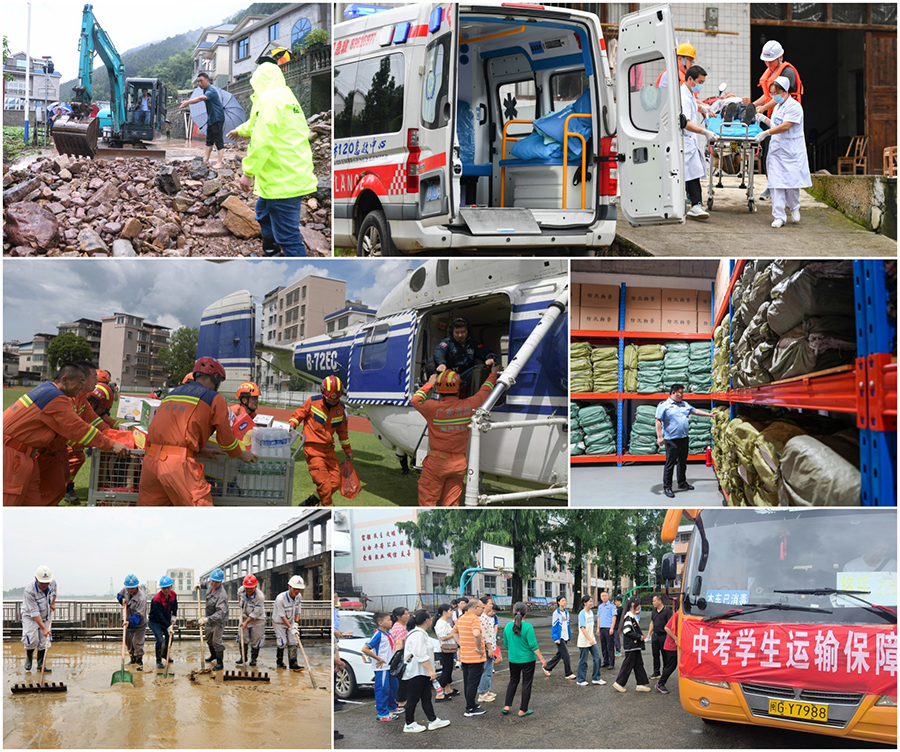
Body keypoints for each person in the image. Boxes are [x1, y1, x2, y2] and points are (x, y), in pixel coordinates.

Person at [226, 59, 316, 258]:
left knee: (289, 236)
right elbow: (258, 122)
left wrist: (248, 172)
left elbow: (262, 139)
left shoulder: (268, 100)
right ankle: (270, 253)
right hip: (290, 174)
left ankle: (297, 269)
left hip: (281, 180)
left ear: (259, 81)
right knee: (263, 212)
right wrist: (240, 130)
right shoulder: (287, 97)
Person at [3, 363, 129, 505]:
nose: (82, 386)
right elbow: (78, 428)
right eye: (80, 381)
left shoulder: (49, 390)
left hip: (24, 455)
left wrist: (110, 436)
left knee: (34, 504)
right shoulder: (56, 398)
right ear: (64, 380)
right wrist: (111, 444)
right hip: (12, 455)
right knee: (9, 506)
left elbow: (90, 421)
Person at [139, 357, 257, 507]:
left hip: (150, 462)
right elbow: (226, 441)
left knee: (152, 518)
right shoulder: (214, 398)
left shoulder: (172, 394)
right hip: (178, 467)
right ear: (215, 378)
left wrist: (200, 449)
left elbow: (174, 432)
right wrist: (241, 454)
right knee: (202, 514)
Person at [410, 363, 499, 506]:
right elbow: (485, 391)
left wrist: (429, 384)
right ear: (458, 389)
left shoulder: (432, 407)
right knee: (451, 505)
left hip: (437, 464)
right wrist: (493, 374)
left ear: (439, 389)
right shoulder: (469, 405)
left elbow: (415, 400)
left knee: (428, 502)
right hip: (458, 465)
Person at [743, 40, 803, 201]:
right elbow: (767, 95)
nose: (768, 63)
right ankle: (772, 186)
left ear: (780, 57)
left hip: (788, 117)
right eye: (766, 61)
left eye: (771, 60)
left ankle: (789, 191)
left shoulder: (788, 72)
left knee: (787, 155)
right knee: (770, 153)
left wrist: (762, 109)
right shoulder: (770, 73)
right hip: (773, 117)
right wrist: (753, 105)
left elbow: (780, 97)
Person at [755, 76, 811, 229]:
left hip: (791, 150)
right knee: (775, 184)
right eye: (772, 93)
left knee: (791, 183)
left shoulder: (794, 107)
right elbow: (775, 124)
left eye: (775, 93)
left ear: (784, 92)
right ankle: (779, 216)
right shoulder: (778, 106)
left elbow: (785, 126)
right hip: (776, 150)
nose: (773, 96)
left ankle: (794, 208)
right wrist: (763, 119)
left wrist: (766, 133)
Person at [289, 376, 352, 507]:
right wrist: (292, 424)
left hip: (329, 450)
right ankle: (329, 509)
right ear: (323, 394)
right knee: (325, 485)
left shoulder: (341, 408)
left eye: (336, 400)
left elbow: (343, 433)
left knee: (336, 482)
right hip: (312, 450)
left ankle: (312, 500)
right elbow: (299, 414)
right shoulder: (312, 402)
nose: (333, 402)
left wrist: (348, 451)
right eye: (330, 400)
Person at [61, 362, 111, 503]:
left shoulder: (81, 396)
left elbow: (94, 420)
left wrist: (112, 434)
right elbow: (69, 427)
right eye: (94, 377)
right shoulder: (66, 397)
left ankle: (64, 488)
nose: (97, 382)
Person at [655, 384, 715, 498]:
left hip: (684, 438)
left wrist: (710, 415)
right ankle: (667, 487)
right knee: (670, 464)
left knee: (682, 462)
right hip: (671, 440)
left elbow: (695, 411)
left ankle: (682, 483)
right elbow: (658, 421)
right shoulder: (664, 405)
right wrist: (659, 437)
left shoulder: (684, 404)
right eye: (680, 393)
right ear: (673, 393)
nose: (682, 395)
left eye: (683, 393)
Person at [402, 610, 451, 733]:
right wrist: (431, 671)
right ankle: (409, 723)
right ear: (426, 620)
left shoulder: (421, 633)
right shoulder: (417, 634)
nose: (431, 619)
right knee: (413, 699)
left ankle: (433, 720)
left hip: (422, 672)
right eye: (430, 617)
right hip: (416, 672)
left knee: (426, 697)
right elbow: (420, 654)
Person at [680, 66, 718, 221]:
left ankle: (694, 204)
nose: (701, 85)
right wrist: (705, 132)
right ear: (690, 79)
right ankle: (695, 204)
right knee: (691, 173)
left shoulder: (687, 92)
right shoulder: (683, 96)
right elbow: (685, 123)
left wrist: (703, 106)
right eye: (699, 82)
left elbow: (692, 99)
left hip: (689, 140)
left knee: (690, 173)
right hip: (685, 139)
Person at [502, 602, 546, 717]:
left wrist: (514, 650)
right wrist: (542, 659)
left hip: (513, 659)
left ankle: (507, 705)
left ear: (513, 611)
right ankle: (523, 710)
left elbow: (506, 644)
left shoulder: (507, 626)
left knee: (513, 681)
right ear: (525, 612)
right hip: (527, 660)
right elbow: (533, 645)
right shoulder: (528, 627)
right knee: (526, 683)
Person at [179, 72, 226, 169]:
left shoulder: (211, 90)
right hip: (211, 119)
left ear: (207, 80)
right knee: (209, 140)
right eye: (198, 82)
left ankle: (219, 163)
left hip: (217, 118)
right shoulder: (205, 90)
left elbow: (201, 98)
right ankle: (206, 159)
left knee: (218, 141)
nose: (199, 83)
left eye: (201, 81)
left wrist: (188, 102)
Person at [361, 611, 400, 721]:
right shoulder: (377, 634)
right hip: (382, 667)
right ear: (380, 622)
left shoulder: (387, 633)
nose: (391, 621)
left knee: (393, 687)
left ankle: (392, 707)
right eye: (388, 620)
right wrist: (378, 659)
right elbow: (365, 649)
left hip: (390, 666)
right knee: (382, 689)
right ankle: (382, 713)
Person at [452, 596, 487, 716]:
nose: (482, 610)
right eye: (482, 608)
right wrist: (478, 647)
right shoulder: (474, 619)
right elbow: (476, 634)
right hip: (475, 658)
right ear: (475, 608)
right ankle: (470, 708)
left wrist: (460, 643)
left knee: (468, 682)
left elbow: (454, 631)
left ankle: (471, 704)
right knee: (473, 683)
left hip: (465, 656)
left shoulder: (462, 618)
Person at [22, 565, 57, 673]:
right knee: (32, 639)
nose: (45, 585)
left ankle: (41, 664)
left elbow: (54, 592)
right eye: (42, 583)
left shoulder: (52, 583)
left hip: (45, 615)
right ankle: (29, 658)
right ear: (36, 579)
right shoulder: (29, 590)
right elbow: (34, 613)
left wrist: (52, 603)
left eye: (47, 583)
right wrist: (43, 628)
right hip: (30, 617)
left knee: (43, 641)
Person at [432, 318, 498, 375]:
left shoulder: (473, 344)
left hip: (467, 374)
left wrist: (490, 358)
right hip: (450, 374)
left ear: (468, 332)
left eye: (463, 332)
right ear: (452, 333)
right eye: (457, 333)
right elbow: (439, 352)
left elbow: (484, 352)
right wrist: (441, 364)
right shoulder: (447, 342)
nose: (460, 335)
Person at [613, 597, 651, 693]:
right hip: (631, 646)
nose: (640, 606)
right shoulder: (629, 616)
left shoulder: (631, 616)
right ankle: (619, 683)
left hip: (634, 646)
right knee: (628, 665)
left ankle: (640, 684)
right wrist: (639, 637)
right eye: (638, 604)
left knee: (638, 664)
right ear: (633, 605)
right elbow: (627, 631)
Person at [272, 574, 305, 670]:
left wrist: (295, 624)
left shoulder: (299, 596)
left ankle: (293, 663)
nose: (297, 591)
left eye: (299, 589)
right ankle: (280, 661)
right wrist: (290, 627)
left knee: (293, 641)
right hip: (279, 622)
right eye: (295, 589)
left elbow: (298, 611)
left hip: (291, 621)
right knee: (282, 642)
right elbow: (282, 616)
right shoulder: (280, 599)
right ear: (289, 587)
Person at [198, 569, 228, 671]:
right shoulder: (210, 585)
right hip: (209, 618)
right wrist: (200, 585)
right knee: (209, 639)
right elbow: (205, 584)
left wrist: (207, 619)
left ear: (221, 582)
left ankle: (220, 663)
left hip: (218, 620)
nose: (214, 583)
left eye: (216, 582)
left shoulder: (222, 595)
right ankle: (213, 655)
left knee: (216, 641)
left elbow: (220, 613)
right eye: (212, 581)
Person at [118, 574, 148, 672]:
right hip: (127, 622)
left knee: (137, 643)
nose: (130, 590)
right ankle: (132, 659)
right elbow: (119, 595)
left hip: (138, 624)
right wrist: (121, 599)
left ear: (136, 586)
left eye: (132, 588)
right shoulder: (125, 589)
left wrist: (129, 622)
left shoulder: (141, 598)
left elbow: (139, 615)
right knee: (128, 642)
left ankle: (139, 661)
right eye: (128, 588)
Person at [148, 576, 177, 669]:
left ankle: (165, 654)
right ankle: (158, 660)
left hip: (166, 620)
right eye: (164, 588)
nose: (166, 590)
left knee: (170, 637)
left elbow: (175, 606)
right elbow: (159, 616)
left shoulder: (173, 595)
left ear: (171, 586)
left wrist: (174, 616)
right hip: (155, 622)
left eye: (168, 587)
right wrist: (168, 626)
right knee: (160, 640)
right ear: (161, 588)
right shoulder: (156, 599)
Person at [237, 574, 266, 667]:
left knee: (255, 640)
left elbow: (255, 613)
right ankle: (243, 657)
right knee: (243, 637)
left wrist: (246, 623)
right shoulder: (241, 589)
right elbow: (238, 594)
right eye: (247, 588)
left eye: (251, 588)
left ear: (255, 586)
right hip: (244, 616)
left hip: (257, 620)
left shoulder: (260, 596)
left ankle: (253, 659)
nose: (249, 590)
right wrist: (239, 602)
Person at [575, 594, 604, 686]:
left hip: (592, 640)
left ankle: (596, 678)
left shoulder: (591, 612)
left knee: (597, 658)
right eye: (590, 601)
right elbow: (582, 628)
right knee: (583, 661)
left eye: (592, 601)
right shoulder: (582, 614)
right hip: (584, 641)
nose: (592, 603)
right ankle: (580, 679)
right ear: (585, 603)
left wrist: (592, 638)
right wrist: (589, 639)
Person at [544, 595, 574, 679]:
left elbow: (567, 625)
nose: (564, 602)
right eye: (562, 600)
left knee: (559, 655)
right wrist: (555, 638)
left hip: (565, 636)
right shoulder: (556, 613)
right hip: (559, 637)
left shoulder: (567, 612)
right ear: (558, 602)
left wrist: (569, 636)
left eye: (565, 600)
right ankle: (568, 673)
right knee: (566, 655)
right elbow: (554, 626)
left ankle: (547, 668)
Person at [389, 607, 413, 709]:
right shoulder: (400, 628)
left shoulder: (397, 626)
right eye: (405, 614)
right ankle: (401, 701)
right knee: (403, 680)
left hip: (397, 656)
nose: (408, 616)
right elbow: (399, 643)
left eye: (408, 613)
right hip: (401, 657)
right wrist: (398, 658)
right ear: (399, 617)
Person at [476, 596, 499, 704]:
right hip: (486, 648)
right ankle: (482, 693)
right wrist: (489, 648)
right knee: (486, 670)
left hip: (491, 647)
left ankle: (487, 689)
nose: (492, 605)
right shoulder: (482, 618)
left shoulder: (487, 617)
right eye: (490, 603)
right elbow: (484, 636)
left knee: (489, 670)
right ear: (484, 605)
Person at [434, 603, 458, 700]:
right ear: (444, 612)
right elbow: (443, 637)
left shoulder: (446, 622)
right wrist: (453, 634)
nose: (452, 613)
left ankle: (448, 689)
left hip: (450, 648)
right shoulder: (441, 623)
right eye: (450, 611)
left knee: (449, 669)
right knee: (446, 670)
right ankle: (439, 693)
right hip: (445, 649)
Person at [229, 382, 260, 451]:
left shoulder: (253, 415)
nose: (257, 401)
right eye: (254, 398)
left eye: (257, 398)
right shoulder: (234, 411)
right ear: (244, 400)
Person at [649, 595, 673, 680]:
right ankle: (656, 672)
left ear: (660, 601)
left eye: (654, 601)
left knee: (665, 655)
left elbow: (670, 624)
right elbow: (652, 622)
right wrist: (649, 634)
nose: (653, 603)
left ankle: (665, 672)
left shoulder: (667, 611)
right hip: (655, 636)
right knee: (655, 655)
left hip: (664, 636)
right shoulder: (654, 611)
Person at [656, 607, 679, 694]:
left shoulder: (680, 616)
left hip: (674, 646)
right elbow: (667, 628)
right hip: (671, 646)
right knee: (670, 666)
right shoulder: (676, 615)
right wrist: (675, 638)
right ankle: (660, 683)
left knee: (670, 666)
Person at [596, 590, 617, 670]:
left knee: (610, 646)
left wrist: (612, 627)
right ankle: (605, 661)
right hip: (602, 628)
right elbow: (599, 617)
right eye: (602, 596)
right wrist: (598, 628)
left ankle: (611, 663)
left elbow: (614, 617)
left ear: (608, 597)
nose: (604, 597)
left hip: (609, 628)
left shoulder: (612, 606)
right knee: (603, 646)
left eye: (605, 595)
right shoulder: (600, 606)